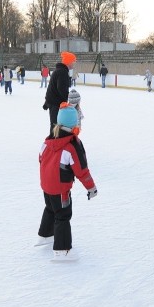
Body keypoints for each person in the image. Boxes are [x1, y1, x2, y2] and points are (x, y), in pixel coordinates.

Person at [36, 103, 97, 261]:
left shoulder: (47, 141)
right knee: (63, 215)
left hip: (46, 187)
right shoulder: (72, 146)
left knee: (50, 208)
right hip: (61, 189)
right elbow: (81, 170)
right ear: (74, 125)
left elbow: (41, 160)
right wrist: (91, 188)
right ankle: (62, 250)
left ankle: (45, 235)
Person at [44, 51, 75, 129]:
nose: (73, 64)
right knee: (55, 126)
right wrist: (65, 102)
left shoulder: (59, 70)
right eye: (72, 62)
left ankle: (53, 140)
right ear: (69, 62)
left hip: (53, 102)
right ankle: (53, 140)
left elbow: (51, 87)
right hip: (56, 103)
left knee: (55, 124)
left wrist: (47, 102)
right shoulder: (62, 72)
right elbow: (61, 88)